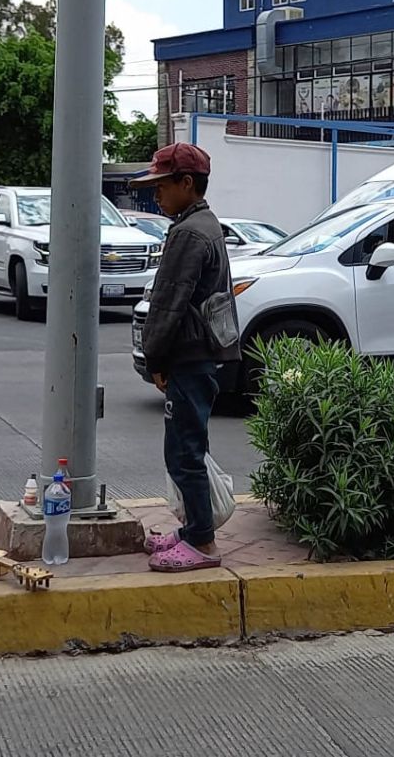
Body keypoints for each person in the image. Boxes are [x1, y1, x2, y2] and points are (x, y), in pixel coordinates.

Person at [130, 142, 241, 573]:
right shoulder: (204, 224)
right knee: (190, 445)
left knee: (184, 452)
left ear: (187, 183)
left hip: (188, 356)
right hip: (201, 354)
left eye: (162, 185)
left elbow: (168, 302)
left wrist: (155, 358)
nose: (156, 194)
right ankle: (194, 528)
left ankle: (201, 542)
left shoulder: (189, 233)